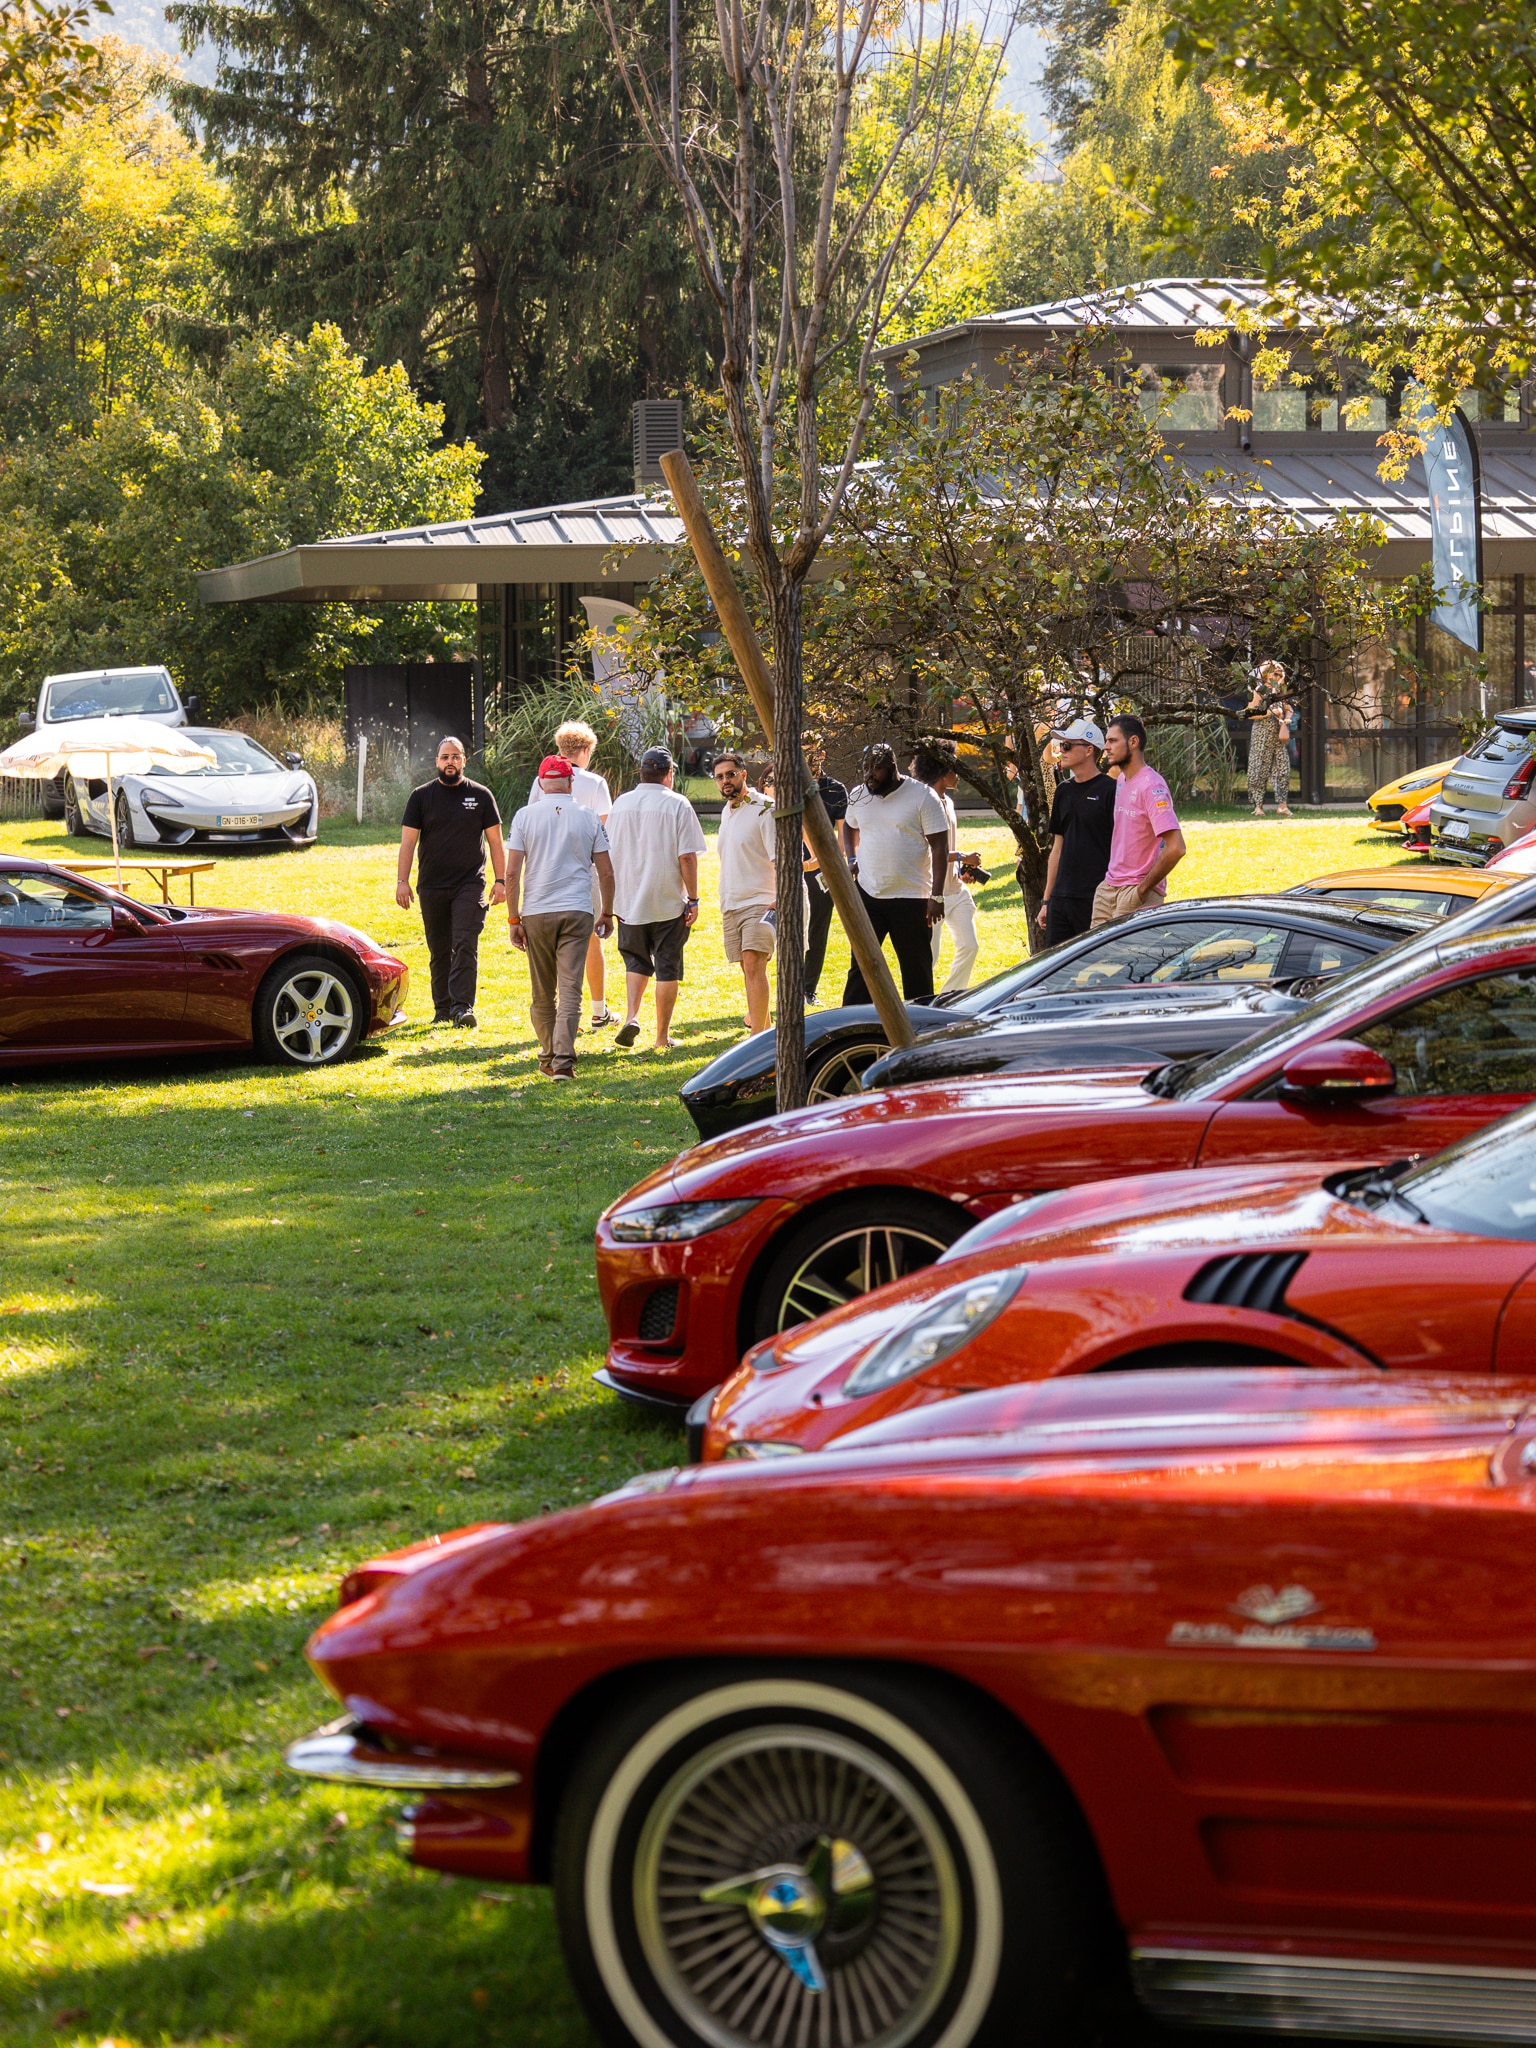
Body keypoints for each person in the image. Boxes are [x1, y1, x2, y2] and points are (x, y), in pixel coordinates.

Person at [506, 756, 614, 1079]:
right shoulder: (588, 816)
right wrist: (607, 911)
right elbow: (606, 872)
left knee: (542, 991)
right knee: (570, 989)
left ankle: (548, 1055)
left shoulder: (524, 816)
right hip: (577, 909)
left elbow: (511, 874)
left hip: (536, 911)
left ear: (541, 783)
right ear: (570, 783)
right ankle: (563, 1062)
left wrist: (513, 919)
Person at [396, 735, 505, 1028]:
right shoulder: (420, 796)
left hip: (469, 883)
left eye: (456, 756)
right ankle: (442, 1009)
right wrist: (402, 881)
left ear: (464, 761)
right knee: (439, 949)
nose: (450, 762)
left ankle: (462, 1007)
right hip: (431, 885)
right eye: (445, 757)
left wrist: (501, 881)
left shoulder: (481, 795)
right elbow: (408, 843)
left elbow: (496, 842)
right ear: (437, 761)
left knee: (465, 942)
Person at [604, 745, 706, 1051]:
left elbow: (609, 851)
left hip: (628, 900)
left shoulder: (621, 803)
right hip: (667, 901)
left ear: (642, 772)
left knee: (635, 962)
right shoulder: (677, 804)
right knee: (666, 966)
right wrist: (693, 898)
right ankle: (661, 1037)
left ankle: (631, 1017)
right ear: (669, 773)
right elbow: (687, 857)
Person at [840, 741, 949, 1004]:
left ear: (892, 767)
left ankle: (921, 1024)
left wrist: (937, 896)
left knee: (916, 972)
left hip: (911, 898)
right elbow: (849, 826)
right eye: (865, 768)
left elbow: (940, 847)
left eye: (876, 769)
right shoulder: (859, 795)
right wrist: (852, 857)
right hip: (868, 895)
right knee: (861, 967)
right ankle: (853, 1022)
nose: (869, 775)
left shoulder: (922, 796)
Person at [526, 720, 616, 1027]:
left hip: (547, 870)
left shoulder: (540, 782)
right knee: (591, 941)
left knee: (549, 941)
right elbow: (603, 828)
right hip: (583, 869)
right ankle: (598, 1010)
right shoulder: (596, 783)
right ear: (586, 750)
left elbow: (533, 821)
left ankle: (553, 1011)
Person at [1090, 715, 1187, 928]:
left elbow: (1176, 848)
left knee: (1127, 951)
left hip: (1135, 892)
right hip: (1108, 888)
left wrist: (1141, 891)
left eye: (1113, 741)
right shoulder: (1122, 780)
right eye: (1106, 741)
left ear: (1133, 742)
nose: (1106, 747)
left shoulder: (1151, 786)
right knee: (1097, 951)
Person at [713, 752, 778, 1035]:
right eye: (719, 777)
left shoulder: (765, 808)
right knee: (748, 969)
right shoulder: (726, 812)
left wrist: (779, 899)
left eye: (730, 774)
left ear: (743, 774)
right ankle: (767, 1034)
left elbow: (780, 858)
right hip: (731, 903)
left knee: (753, 964)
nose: (725, 780)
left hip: (762, 900)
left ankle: (755, 1040)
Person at [1037, 719, 1116, 946]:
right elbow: (1057, 848)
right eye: (1061, 745)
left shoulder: (1111, 790)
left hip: (1095, 897)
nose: (1062, 751)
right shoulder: (1063, 790)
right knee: (1057, 964)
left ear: (1089, 750)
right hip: (1060, 898)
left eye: (1067, 745)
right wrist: (1046, 901)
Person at [910, 746, 980, 994]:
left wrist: (961, 868)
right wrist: (962, 856)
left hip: (956, 890)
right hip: (931, 893)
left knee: (970, 946)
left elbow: (944, 848)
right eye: (954, 767)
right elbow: (926, 852)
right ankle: (922, 1004)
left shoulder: (948, 801)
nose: (958, 773)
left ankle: (950, 996)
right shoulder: (923, 803)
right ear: (941, 770)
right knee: (930, 957)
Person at [803, 738, 849, 1006]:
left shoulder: (836, 789)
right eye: (801, 754)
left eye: (810, 754)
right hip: (790, 865)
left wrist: (831, 863)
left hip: (822, 869)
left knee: (817, 930)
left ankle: (808, 989)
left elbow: (843, 835)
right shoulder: (788, 785)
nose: (807, 760)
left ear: (821, 754)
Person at [1246, 661, 1294, 817]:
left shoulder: (1279, 691)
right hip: (1262, 734)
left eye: (1281, 674)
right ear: (1266, 675)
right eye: (1276, 674)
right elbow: (1250, 713)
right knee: (1259, 769)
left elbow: (1289, 708)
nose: (1279, 677)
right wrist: (1270, 712)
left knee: (1283, 769)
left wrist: (1287, 717)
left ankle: (1282, 806)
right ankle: (1258, 807)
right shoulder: (1259, 691)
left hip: (1277, 735)